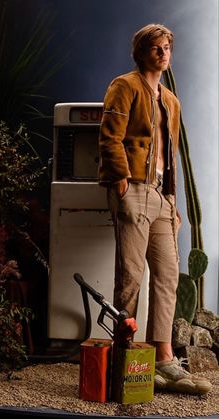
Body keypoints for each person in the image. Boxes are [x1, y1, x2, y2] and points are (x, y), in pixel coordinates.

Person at [98, 23, 211, 394]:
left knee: (166, 278)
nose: (163, 53)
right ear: (142, 52)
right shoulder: (125, 85)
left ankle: (162, 361)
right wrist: (120, 182)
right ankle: (123, 360)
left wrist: (174, 200)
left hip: (162, 197)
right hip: (133, 190)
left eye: (167, 48)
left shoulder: (171, 100)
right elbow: (109, 136)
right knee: (130, 277)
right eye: (155, 48)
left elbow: (172, 156)